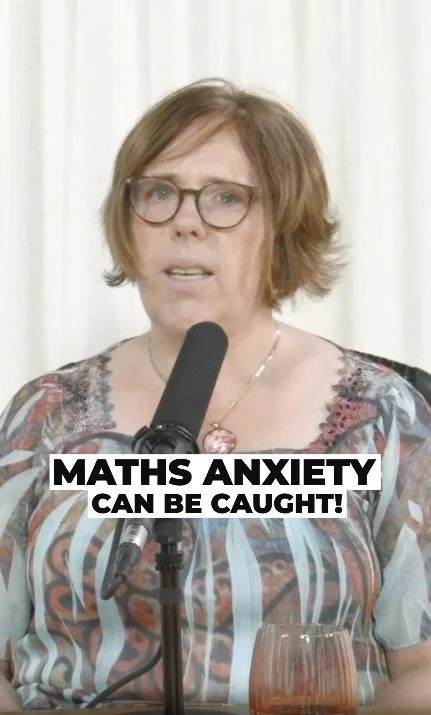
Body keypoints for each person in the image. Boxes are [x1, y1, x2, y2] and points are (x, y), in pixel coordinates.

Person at [1, 78, 431, 711]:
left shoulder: (384, 414)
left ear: (284, 226)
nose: (185, 223)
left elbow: (423, 668)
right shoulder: (48, 412)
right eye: (159, 193)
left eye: (226, 197)